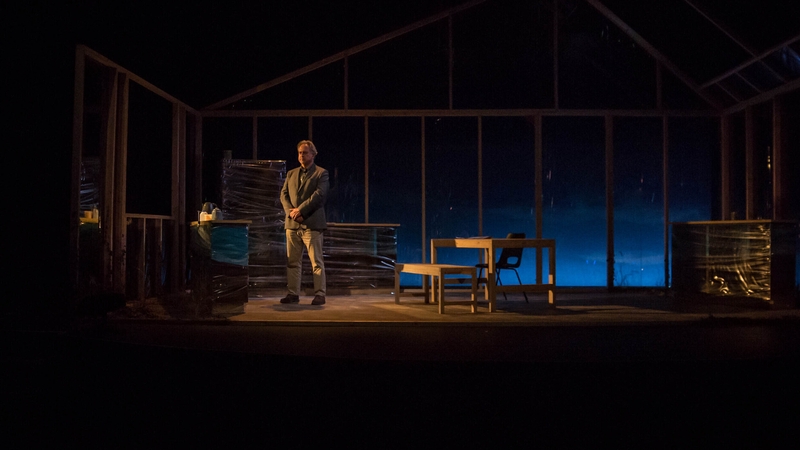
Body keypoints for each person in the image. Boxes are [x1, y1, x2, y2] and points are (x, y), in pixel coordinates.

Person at [279, 140, 329, 305]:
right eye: (300, 152)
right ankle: (293, 294)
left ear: (313, 154)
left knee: (316, 262)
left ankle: (320, 294)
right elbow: (283, 195)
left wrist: (300, 210)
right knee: (292, 262)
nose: (301, 155)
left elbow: (319, 195)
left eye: (305, 153)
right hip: (293, 225)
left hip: (311, 224)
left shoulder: (321, 173)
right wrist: (291, 213)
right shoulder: (291, 174)